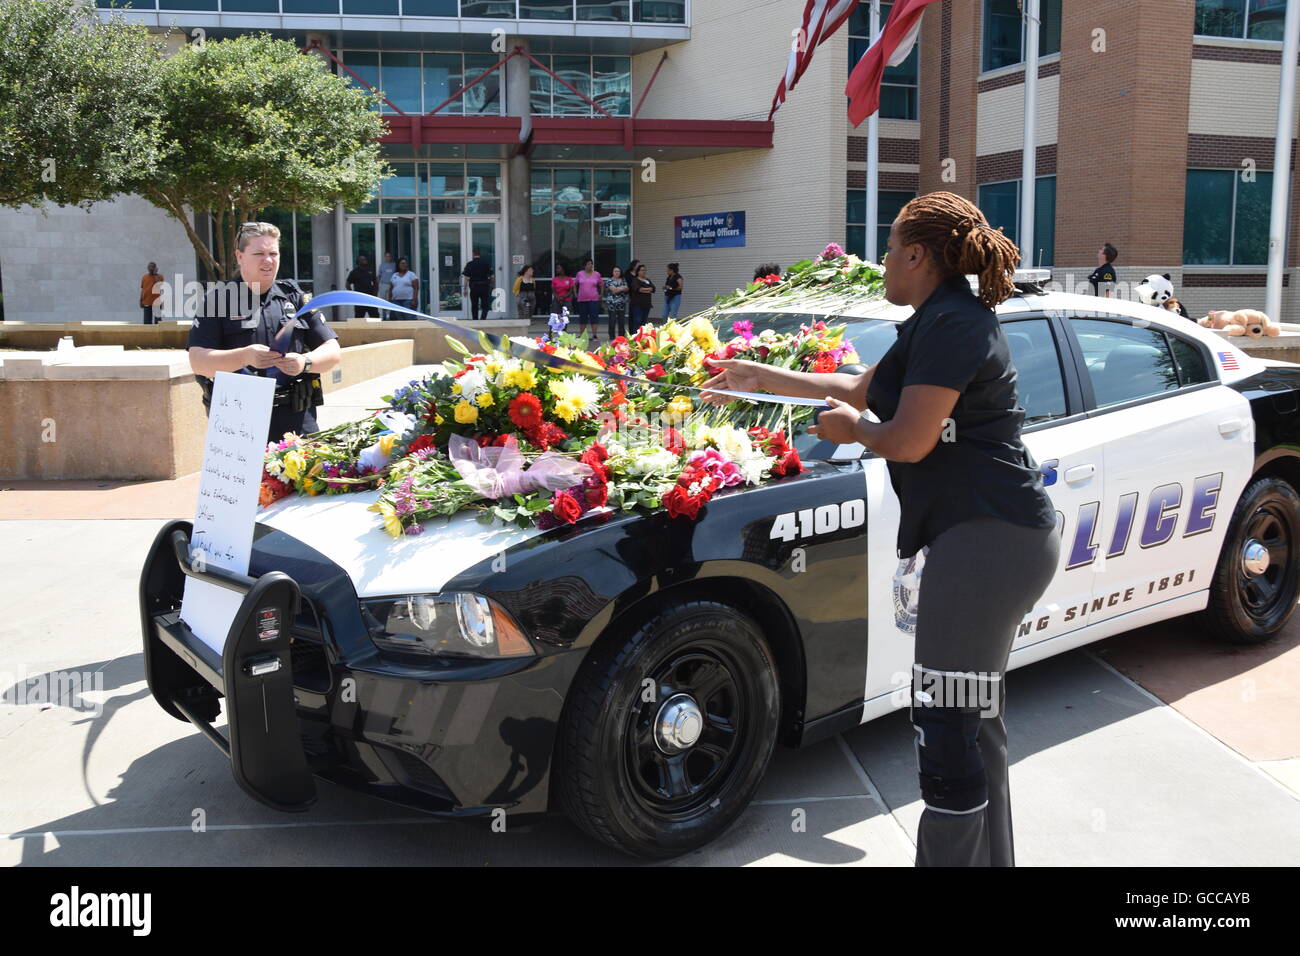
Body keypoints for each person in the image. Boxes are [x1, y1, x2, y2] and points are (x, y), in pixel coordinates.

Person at [701, 191, 1059, 868]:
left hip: (988, 539)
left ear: (918, 255)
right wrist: (755, 376)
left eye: (890, 248)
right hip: (991, 537)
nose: (883, 261)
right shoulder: (937, 320)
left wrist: (851, 434)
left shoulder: (953, 324)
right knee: (973, 718)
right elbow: (861, 387)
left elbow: (909, 438)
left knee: (948, 716)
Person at [187, 221, 342, 444]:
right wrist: (245, 356)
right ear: (239, 256)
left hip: (297, 417)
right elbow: (198, 362)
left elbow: (332, 351)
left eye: (273, 253)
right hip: (239, 420)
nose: (268, 260)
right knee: (244, 480)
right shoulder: (219, 300)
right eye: (259, 253)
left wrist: (305, 362)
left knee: (304, 478)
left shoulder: (295, 296)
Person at [574, 257, 603, 339]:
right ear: (584, 265)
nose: (590, 265)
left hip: (593, 299)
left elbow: (601, 284)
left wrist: (601, 294)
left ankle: (594, 335)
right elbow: (575, 284)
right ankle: (582, 335)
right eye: (588, 264)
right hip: (582, 299)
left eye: (591, 264)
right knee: (583, 317)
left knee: (594, 317)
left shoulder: (597, 274)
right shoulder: (579, 274)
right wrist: (575, 293)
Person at [462, 247, 494, 321]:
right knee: (485, 305)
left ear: (473, 254)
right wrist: (492, 286)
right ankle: (483, 320)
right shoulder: (486, 263)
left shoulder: (469, 264)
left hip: (474, 287)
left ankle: (475, 321)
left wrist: (465, 289)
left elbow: (466, 278)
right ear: (480, 254)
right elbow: (492, 276)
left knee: (474, 305)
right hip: (484, 286)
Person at [604, 266, 629, 340]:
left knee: (621, 321)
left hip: (621, 304)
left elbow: (627, 289)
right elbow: (614, 290)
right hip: (612, 304)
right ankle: (612, 337)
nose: (617, 272)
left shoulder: (623, 280)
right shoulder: (609, 280)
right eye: (615, 271)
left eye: (618, 271)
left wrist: (619, 288)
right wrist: (622, 288)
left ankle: (621, 337)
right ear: (612, 272)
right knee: (612, 320)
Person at [628, 263, 655, 329]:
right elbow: (638, 289)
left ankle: (642, 337)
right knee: (637, 321)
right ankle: (635, 336)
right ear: (638, 271)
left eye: (645, 270)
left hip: (646, 304)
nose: (644, 272)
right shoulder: (635, 280)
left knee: (644, 322)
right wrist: (648, 289)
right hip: (637, 305)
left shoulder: (647, 280)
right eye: (642, 270)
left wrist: (644, 289)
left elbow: (653, 289)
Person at [377, 251, 397, 319]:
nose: (388, 258)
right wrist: (378, 285)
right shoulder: (382, 265)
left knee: (390, 300)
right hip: (383, 284)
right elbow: (379, 275)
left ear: (391, 257)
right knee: (383, 300)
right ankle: (383, 316)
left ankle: (390, 316)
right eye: (387, 256)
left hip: (391, 285)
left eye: (389, 256)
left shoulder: (394, 265)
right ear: (385, 257)